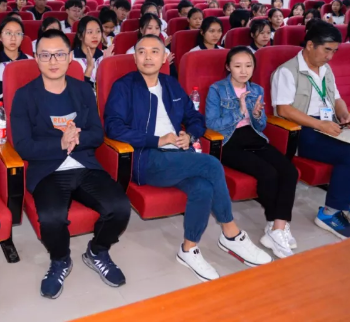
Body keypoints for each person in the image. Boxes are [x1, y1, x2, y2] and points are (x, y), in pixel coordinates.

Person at [104, 34, 271, 282]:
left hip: (178, 154)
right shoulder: (124, 86)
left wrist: (189, 134)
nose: (148, 57)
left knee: (203, 187)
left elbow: (194, 118)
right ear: (135, 58)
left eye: (154, 51)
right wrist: (156, 140)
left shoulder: (170, 84)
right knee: (211, 164)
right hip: (145, 157)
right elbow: (113, 127)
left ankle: (188, 249)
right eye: (141, 52)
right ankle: (231, 233)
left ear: (164, 58)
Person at [11, 29, 130, 298]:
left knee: (120, 207)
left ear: (69, 58)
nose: (53, 61)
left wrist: (77, 138)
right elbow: (23, 146)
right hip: (47, 169)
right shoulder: (24, 96)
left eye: (59, 54)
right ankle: (60, 259)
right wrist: (60, 143)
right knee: (51, 218)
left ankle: (97, 251)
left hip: (85, 164)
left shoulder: (83, 90)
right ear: (36, 58)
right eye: (45, 55)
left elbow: (97, 134)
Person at [271, 21, 350, 238]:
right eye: (327, 50)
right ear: (310, 45)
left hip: (329, 124)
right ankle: (330, 213)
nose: (330, 56)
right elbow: (284, 109)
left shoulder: (326, 69)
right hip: (303, 130)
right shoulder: (286, 71)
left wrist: (344, 114)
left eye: (334, 51)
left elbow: (337, 98)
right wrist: (319, 124)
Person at [206, 47, 299, 258]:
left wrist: (256, 115)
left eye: (248, 66)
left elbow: (261, 125)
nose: (243, 71)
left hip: (253, 136)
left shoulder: (256, 89)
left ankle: (277, 227)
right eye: (237, 66)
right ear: (228, 67)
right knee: (269, 173)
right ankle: (275, 226)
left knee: (289, 171)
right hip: (228, 141)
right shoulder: (217, 89)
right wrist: (239, 112)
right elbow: (212, 124)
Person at [0, 16, 32, 114]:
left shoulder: (30, 61)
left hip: (28, 109)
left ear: (22, 37)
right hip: (2, 111)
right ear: (0, 37)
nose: (13, 38)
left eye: (18, 33)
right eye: (8, 33)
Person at [72, 16, 114, 88]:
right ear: (80, 36)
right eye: (90, 32)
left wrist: (106, 65)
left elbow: (109, 87)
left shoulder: (105, 56)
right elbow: (76, 90)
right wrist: (89, 68)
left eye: (98, 31)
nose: (95, 36)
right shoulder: (72, 58)